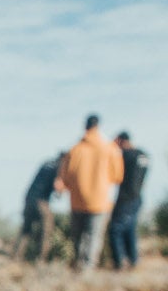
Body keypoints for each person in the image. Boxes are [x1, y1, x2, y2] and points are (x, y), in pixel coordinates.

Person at [54, 114, 121, 269]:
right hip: (100, 201)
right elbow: (117, 176)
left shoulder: (75, 149)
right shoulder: (110, 148)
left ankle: (78, 265)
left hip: (77, 201)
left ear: (85, 126)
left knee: (77, 237)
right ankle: (87, 270)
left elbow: (64, 178)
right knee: (93, 237)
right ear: (98, 126)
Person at [109, 130, 150, 270]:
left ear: (121, 141)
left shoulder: (125, 156)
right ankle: (133, 260)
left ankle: (119, 263)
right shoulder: (143, 155)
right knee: (130, 229)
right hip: (137, 198)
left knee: (115, 230)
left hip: (126, 198)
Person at [19, 151, 64, 262]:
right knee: (47, 228)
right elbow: (58, 189)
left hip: (29, 197)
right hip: (41, 201)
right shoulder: (58, 168)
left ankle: (17, 256)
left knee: (26, 229)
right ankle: (41, 258)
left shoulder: (46, 164)